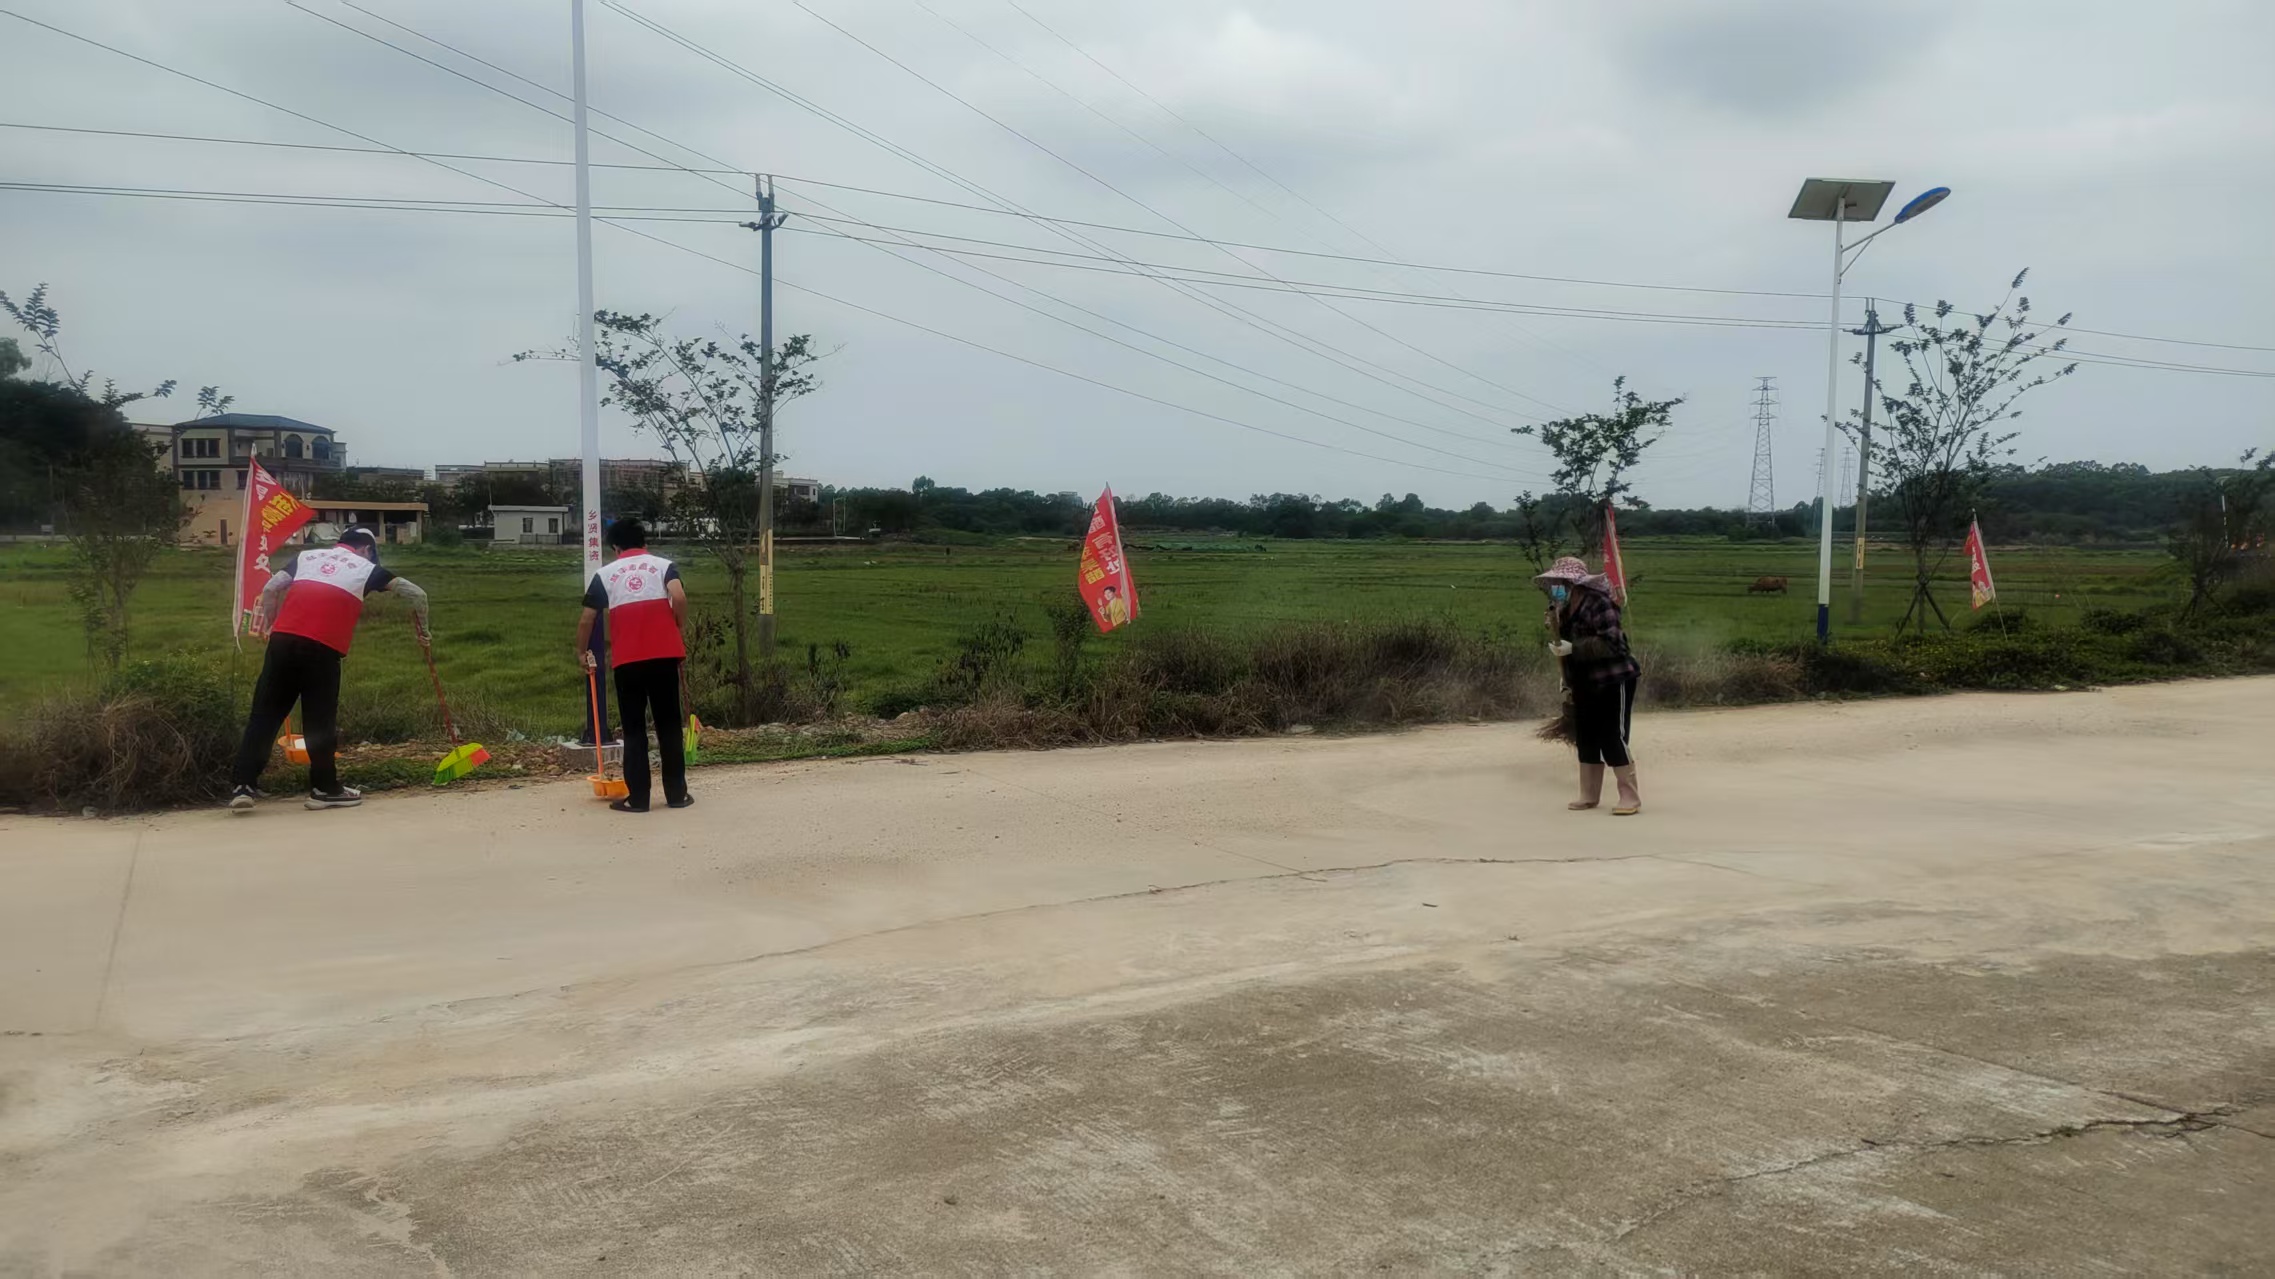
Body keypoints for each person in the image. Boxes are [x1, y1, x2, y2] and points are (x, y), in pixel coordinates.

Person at [230, 527, 429, 812]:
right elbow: (417, 594)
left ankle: (243, 786)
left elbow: (271, 588)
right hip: (322, 648)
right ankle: (324, 789)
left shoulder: (306, 557)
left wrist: (273, 625)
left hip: (282, 642)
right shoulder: (367, 568)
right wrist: (424, 633)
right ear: (367, 549)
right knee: (319, 721)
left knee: (265, 714)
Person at [575, 517, 693, 812]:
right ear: (644, 542)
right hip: (664, 656)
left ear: (615, 547)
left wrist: (581, 652)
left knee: (634, 729)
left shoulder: (605, 574)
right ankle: (677, 795)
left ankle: (638, 799)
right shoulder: (663, 566)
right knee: (669, 724)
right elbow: (678, 596)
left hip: (628, 660)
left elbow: (587, 619)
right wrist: (678, 623)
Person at [1536, 555, 1642, 816]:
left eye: (1562, 581)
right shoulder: (1562, 607)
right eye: (1555, 581)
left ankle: (1629, 796)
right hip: (1583, 681)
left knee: (1612, 735)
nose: (1557, 586)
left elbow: (1613, 644)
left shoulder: (1599, 603)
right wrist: (1556, 632)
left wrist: (1575, 647)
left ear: (1575, 582)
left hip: (1612, 678)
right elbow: (1563, 643)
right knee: (1586, 735)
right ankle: (1589, 794)